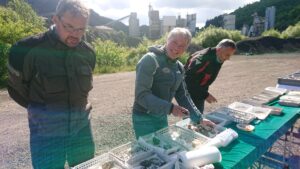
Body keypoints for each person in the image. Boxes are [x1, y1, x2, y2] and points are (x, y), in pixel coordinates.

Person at [7, 0, 95, 168]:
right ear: (55, 19)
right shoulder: (26, 50)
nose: (75, 35)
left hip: (81, 129)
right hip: (46, 134)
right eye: (69, 27)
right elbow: (17, 90)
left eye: (81, 29)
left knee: (88, 166)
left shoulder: (88, 53)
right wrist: (42, 111)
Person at [132, 27, 213, 139]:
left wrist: (199, 118)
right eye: (174, 42)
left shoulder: (179, 67)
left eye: (182, 45)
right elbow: (141, 95)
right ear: (167, 40)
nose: (176, 48)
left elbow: (183, 95)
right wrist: (171, 108)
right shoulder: (150, 60)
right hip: (144, 117)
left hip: (161, 115)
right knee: (147, 151)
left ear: (186, 48)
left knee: (164, 148)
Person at [184, 39, 236, 113]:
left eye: (230, 55)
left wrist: (203, 93)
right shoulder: (203, 58)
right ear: (219, 49)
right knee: (192, 117)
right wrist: (205, 95)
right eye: (227, 55)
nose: (228, 58)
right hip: (190, 92)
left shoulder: (219, 56)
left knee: (198, 116)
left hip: (200, 91)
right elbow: (187, 80)